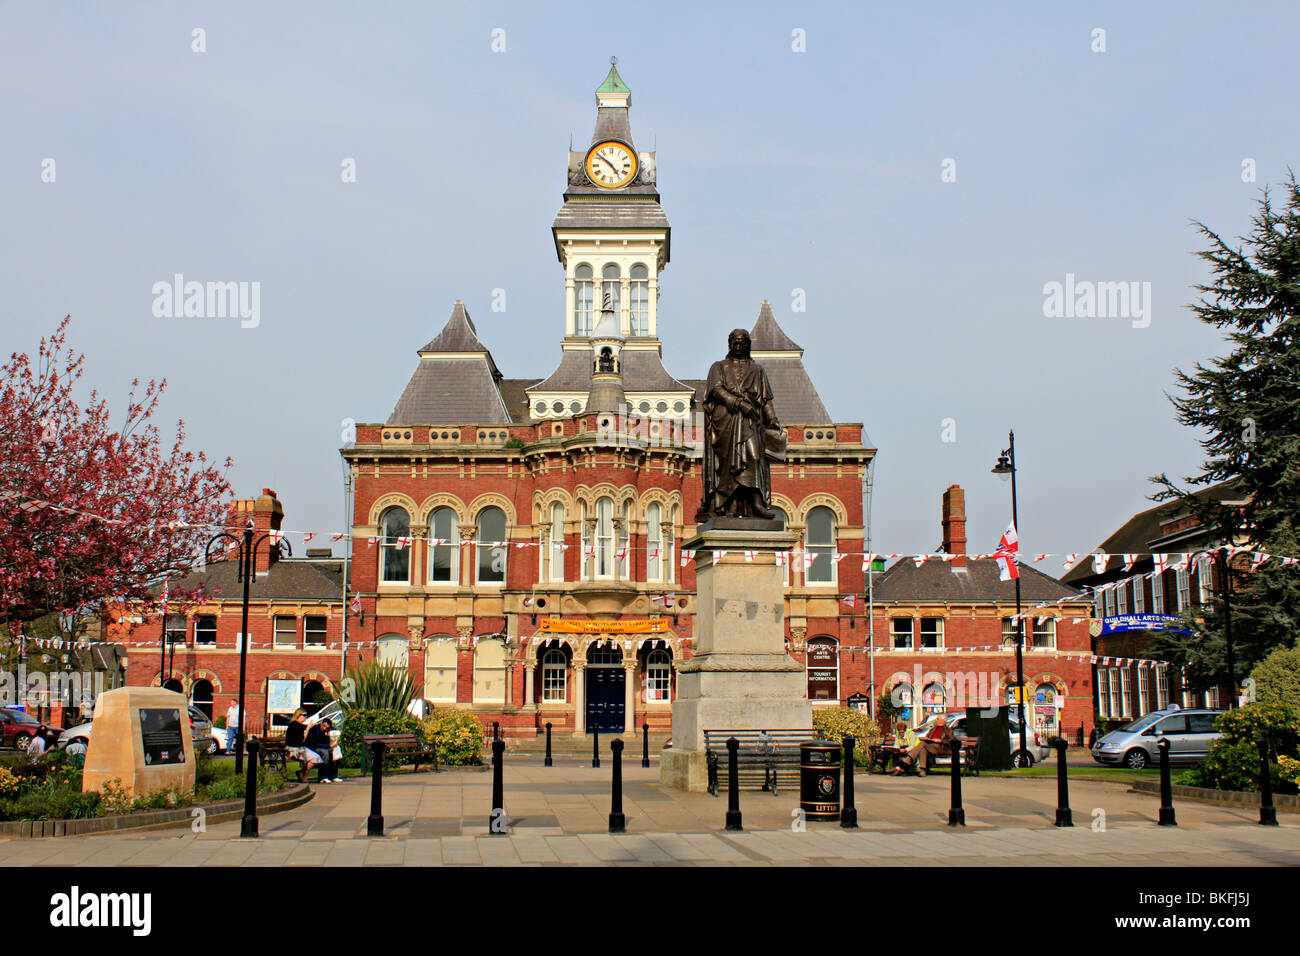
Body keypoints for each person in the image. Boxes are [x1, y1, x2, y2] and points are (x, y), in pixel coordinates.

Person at [283, 709, 323, 784]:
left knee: (315, 757)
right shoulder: (294, 725)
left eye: (306, 715)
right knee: (315, 758)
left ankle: (302, 773)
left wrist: (311, 726)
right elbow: (302, 740)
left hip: (299, 748)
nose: (305, 717)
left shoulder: (298, 725)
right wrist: (308, 728)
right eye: (304, 715)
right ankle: (304, 775)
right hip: (294, 750)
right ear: (298, 715)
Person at [305, 717, 338, 784]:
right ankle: (323, 777)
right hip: (312, 748)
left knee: (334, 751)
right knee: (325, 753)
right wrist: (329, 746)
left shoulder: (325, 731)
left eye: (326, 728)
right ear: (321, 724)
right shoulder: (315, 729)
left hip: (321, 747)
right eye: (324, 726)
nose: (324, 728)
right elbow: (316, 744)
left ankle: (333, 776)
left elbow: (326, 743)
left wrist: (328, 736)